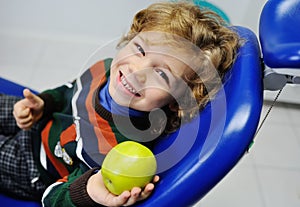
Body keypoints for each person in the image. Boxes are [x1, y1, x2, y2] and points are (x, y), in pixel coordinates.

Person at [0, 1, 240, 206]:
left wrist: (89, 189)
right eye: (139, 49)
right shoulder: (105, 68)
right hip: (40, 121)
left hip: (34, 166)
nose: (136, 71)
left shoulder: (114, 150)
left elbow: (50, 197)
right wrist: (44, 103)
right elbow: (69, 92)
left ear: (178, 101)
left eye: (162, 74)